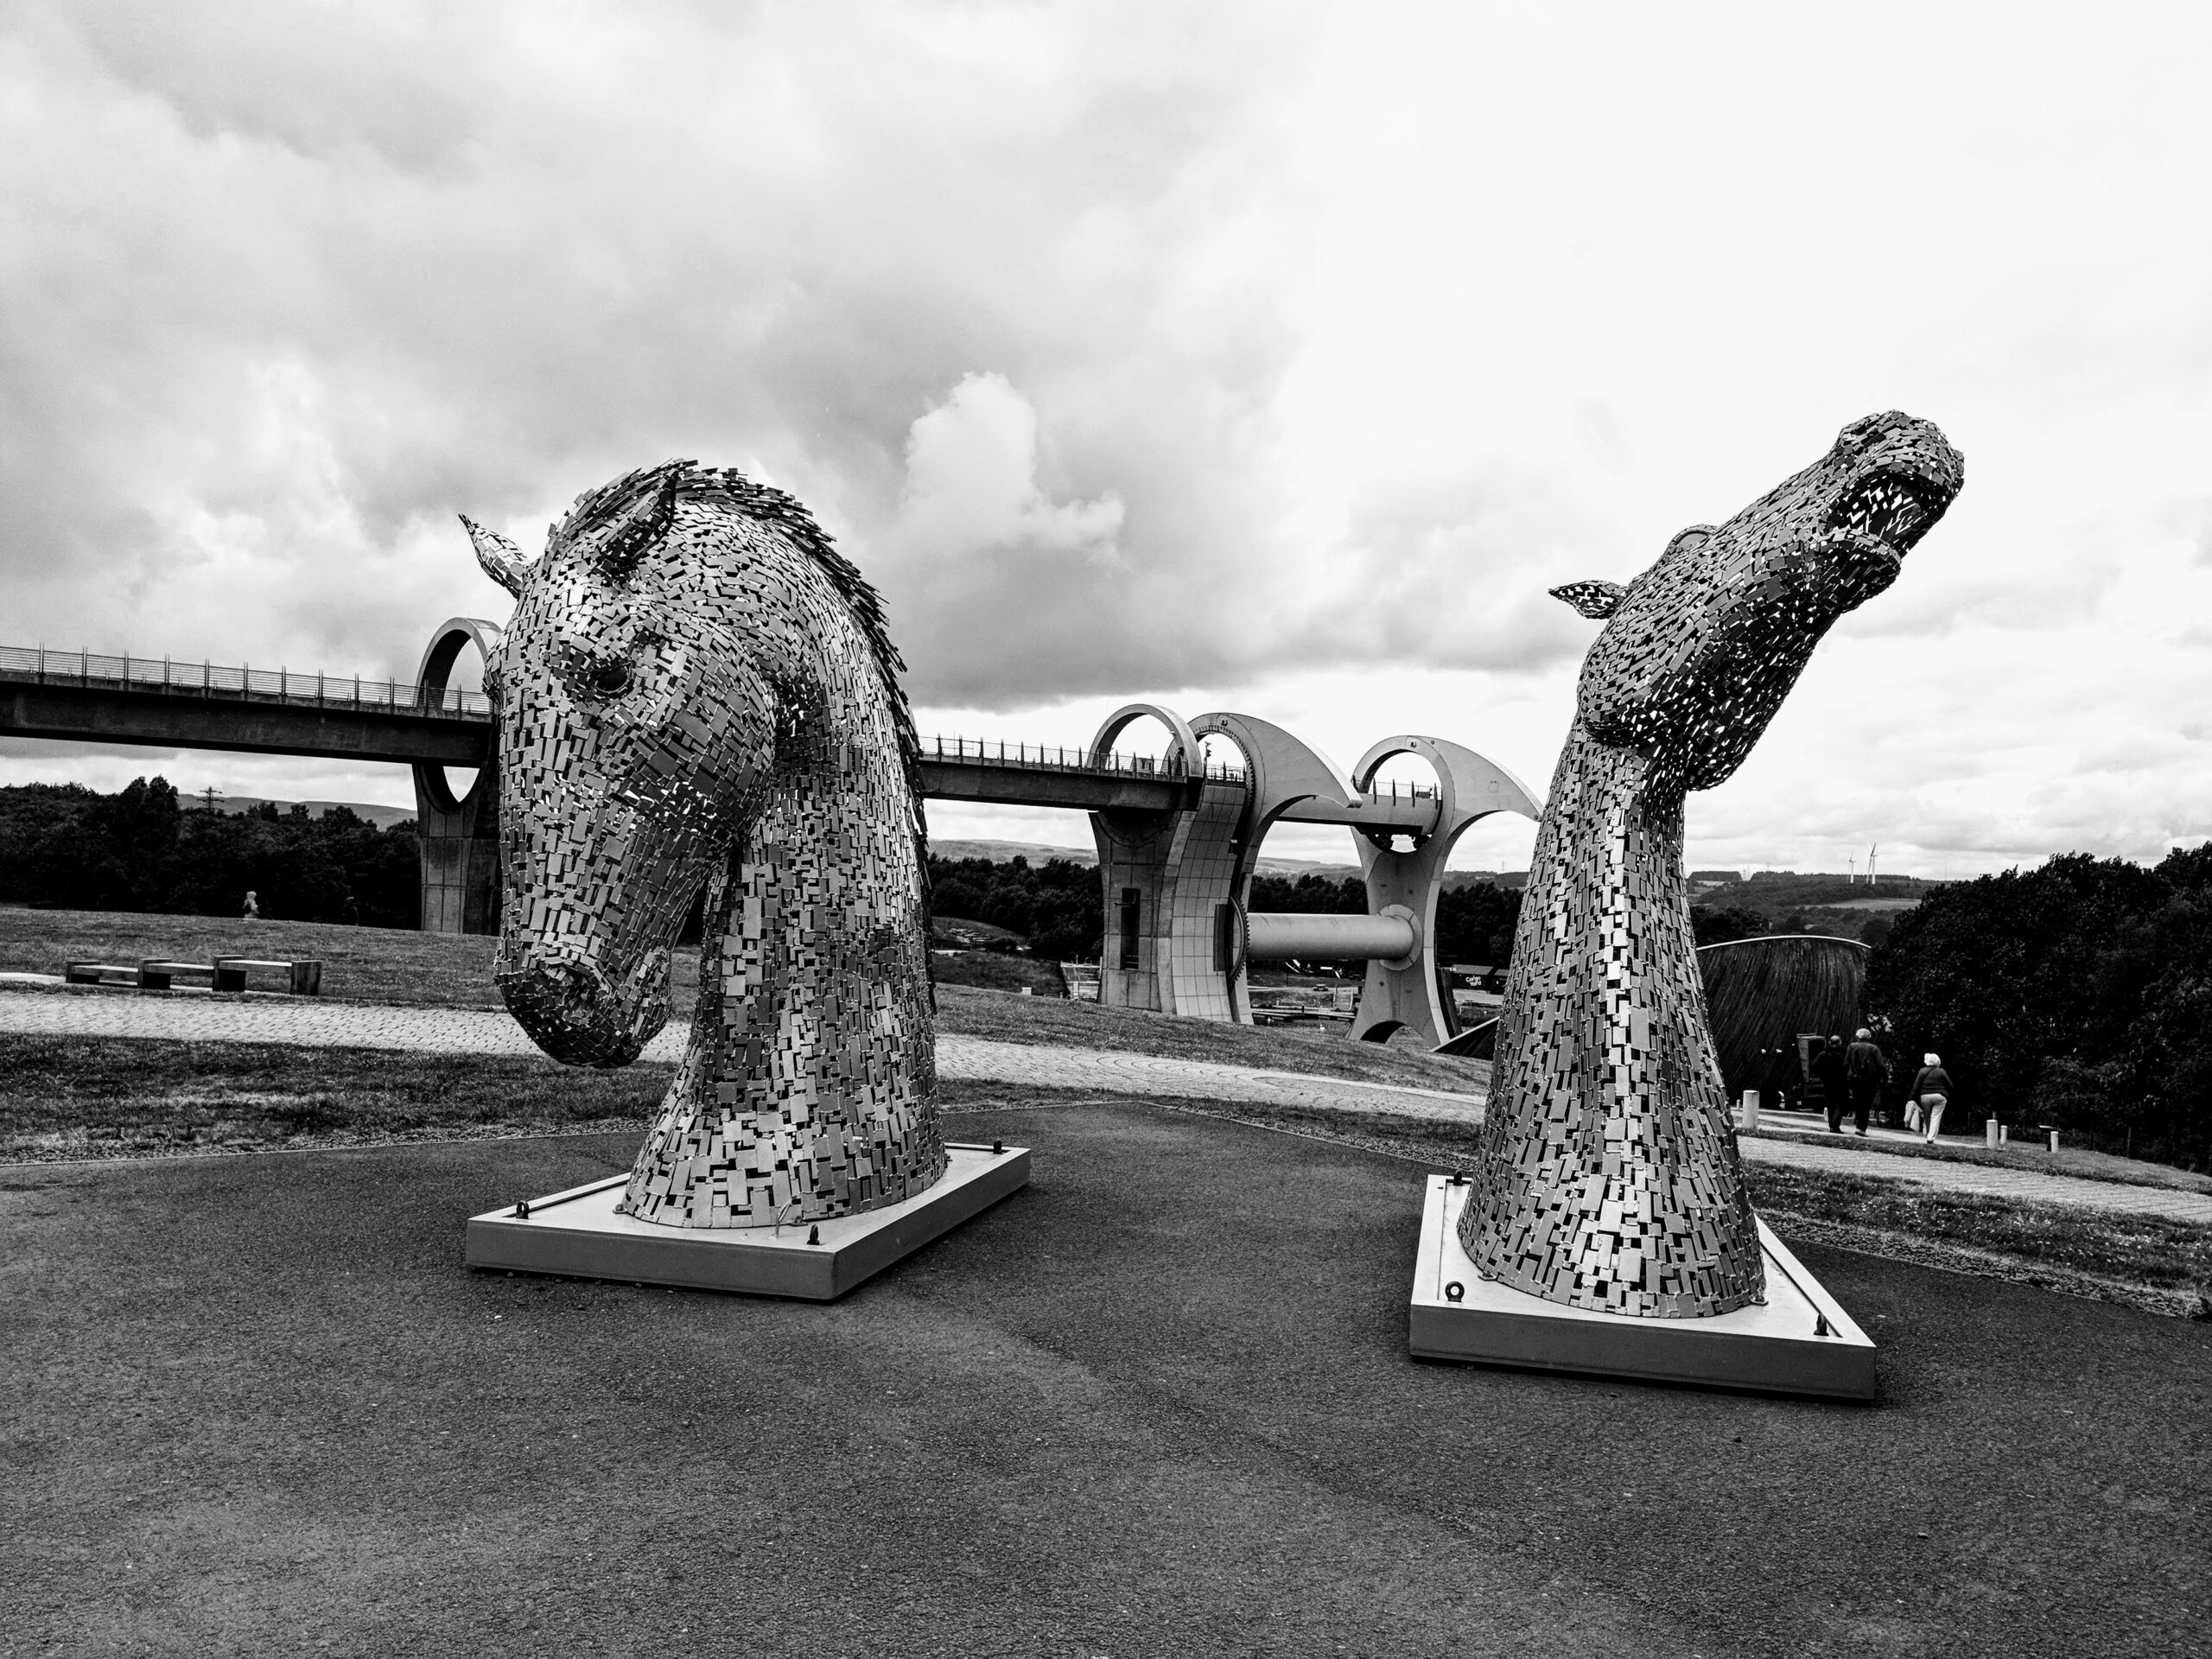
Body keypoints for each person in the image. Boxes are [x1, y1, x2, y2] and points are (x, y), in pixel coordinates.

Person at [1843, 1027, 1885, 1137]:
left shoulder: (1852, 1047)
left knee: (1858, 1101)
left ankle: (1858, 1121)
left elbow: (1846, 1063)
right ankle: (1862, 1127)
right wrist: (1883, 1078)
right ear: (1869, 1037)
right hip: (1871, 1080)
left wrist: (1845, 1077)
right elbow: (1881, 1065)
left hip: (1855, 1079)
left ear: (1858, 1037)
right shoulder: (1874, 1049)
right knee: (1867, 1104)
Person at [1910, 1052, 1954, 1142]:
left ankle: (1926, 1134)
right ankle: (1930, 1138)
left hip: (1925, 1096)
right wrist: (1947, 1093)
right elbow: (1950, 1085)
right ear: (1938, 1061)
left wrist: (1911, 1098)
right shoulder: (1941, 1071)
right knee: (1935, 1117)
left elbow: (1916, 1085)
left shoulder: (1922, 1071)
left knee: (1927, 1116)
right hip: (1939, 1097)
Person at [1813, 1033, 1849, 1132]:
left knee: (1830, 1104)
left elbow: (1814, 1066)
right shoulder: (1845, 1054)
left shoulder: (1824, 1054)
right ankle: (1835, 1123)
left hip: (1828, 1082)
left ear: (1830, 1043)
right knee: (1842, 1104)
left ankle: (1831, 1125)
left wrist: (1821, 1075)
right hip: (1842, 1082)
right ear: (1840, 1043)